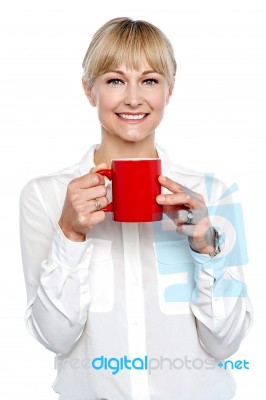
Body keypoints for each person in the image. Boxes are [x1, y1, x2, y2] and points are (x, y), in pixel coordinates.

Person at [20, 17, 253, 400]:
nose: (133, 98)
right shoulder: (45, 196)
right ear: (88, 89)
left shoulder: (210, 192)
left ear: (169, 91)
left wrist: (207, 249)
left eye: (149, 80)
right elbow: (54, 338)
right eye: (114, 80)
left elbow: (226, 344)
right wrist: (71, 234)